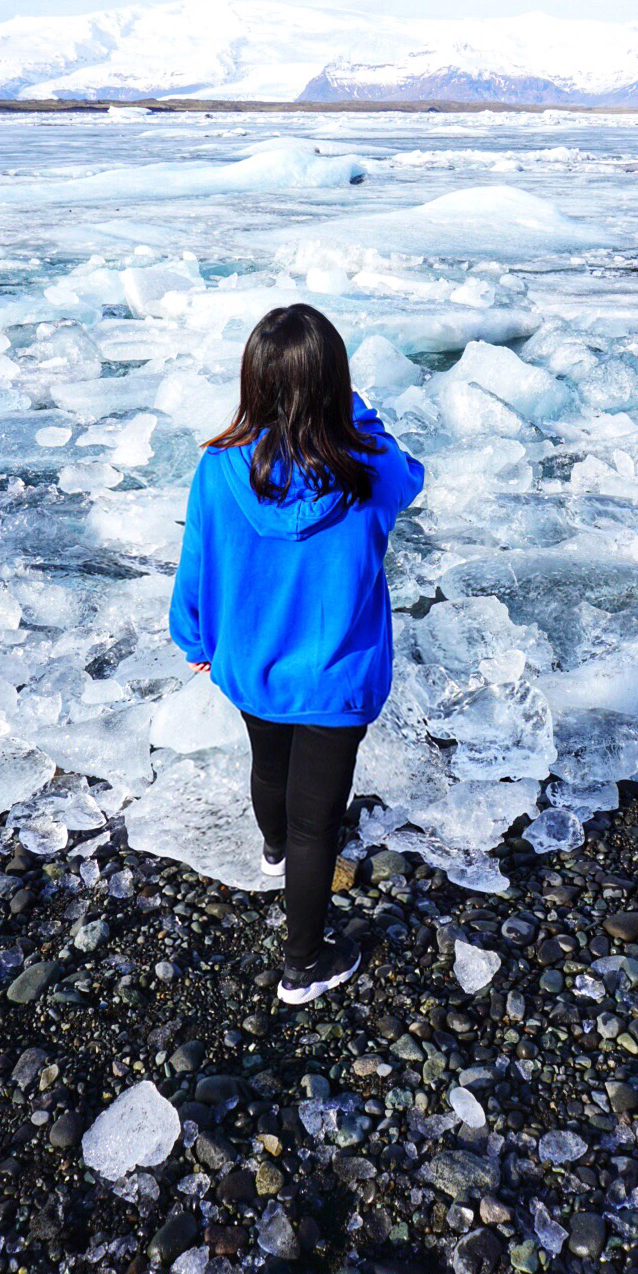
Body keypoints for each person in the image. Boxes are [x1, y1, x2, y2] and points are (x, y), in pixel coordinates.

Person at [169, 304, 425, 1005]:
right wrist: (358, 412)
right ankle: (304, 965)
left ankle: (273, 850)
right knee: (322, 824)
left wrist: (193, 635)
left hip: (252, 662)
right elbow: (414, 474)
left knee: (269, 762)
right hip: (337, 677)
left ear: (253, 381)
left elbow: (196, 558)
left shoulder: (219, 467)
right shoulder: (370, 468)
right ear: (335, 382)